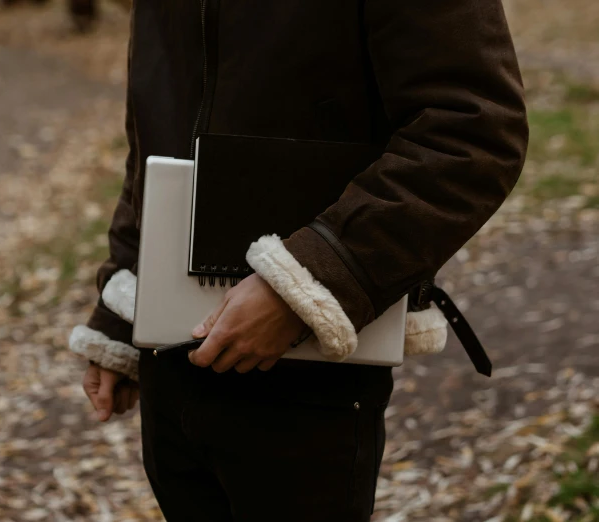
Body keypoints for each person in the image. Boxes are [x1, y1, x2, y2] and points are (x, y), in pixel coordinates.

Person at [70, 1, 528, 520]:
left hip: (311, 376)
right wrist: (122, 303)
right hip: (168, 368)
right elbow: (157, 132)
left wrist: (304, 284)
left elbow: (472, 130)